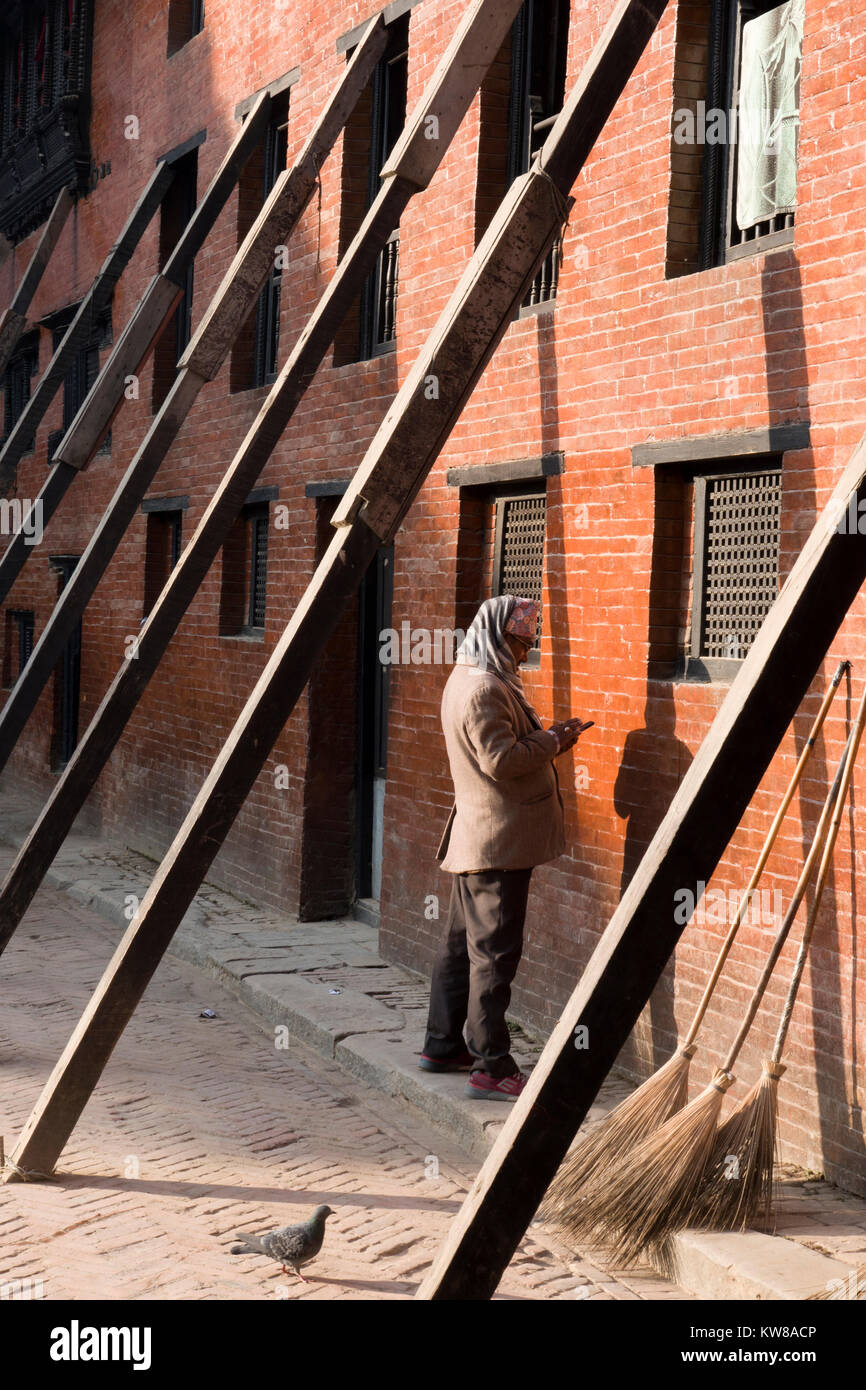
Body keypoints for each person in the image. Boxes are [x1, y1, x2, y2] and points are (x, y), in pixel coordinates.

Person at [420, 594, 591, 1099]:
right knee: (494, 955)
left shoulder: (472, 679)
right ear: (498, 634)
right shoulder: (482, 690)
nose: (527, 647)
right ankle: (492, 1065)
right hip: (497, 842)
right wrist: (555, 740)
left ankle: (442, 1043)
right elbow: (501, 759)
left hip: (480, 838)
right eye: (521, 639)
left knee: (460, 948)